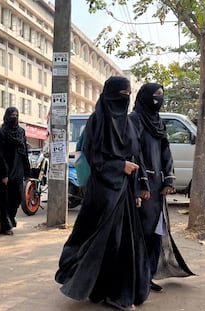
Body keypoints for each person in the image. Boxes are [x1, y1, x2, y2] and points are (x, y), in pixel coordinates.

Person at [55, 76, 151, 311]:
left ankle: (118, 293)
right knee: (104, 242)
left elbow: (135, 156)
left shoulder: (129, 124)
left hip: (124, 192)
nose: (125, 99)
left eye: (128, 94)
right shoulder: (96, 121)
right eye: (121, 94)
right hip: (103, 194)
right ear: (109, 94)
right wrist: (119, 166)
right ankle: (106, 292)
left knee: (124, 243)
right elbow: (94, 156)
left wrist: (137, 188)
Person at [129, 83, 194, 292]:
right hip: (143, 186)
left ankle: (148, 276)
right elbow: (133, 153)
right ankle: (137, 278)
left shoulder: (157, 122)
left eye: (162, 95)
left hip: (158, 188)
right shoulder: (134, 120)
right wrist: (140, 185)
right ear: (146, 97)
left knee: (157, 233)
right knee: (142, 233)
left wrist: (169, 180)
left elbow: (166, 151)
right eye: (156, 95)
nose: (159, 99)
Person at [0, 107, 30, 236]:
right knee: (4, 199)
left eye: (16, 115)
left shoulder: (21, 131)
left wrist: (27, 172)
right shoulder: (1, 132)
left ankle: (11, 217)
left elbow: (24, 152)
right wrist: (3, 174)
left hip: (19, 169)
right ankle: (5, 226)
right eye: (12, 115)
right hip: (6, 170)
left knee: (17, 197)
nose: (14, 117)